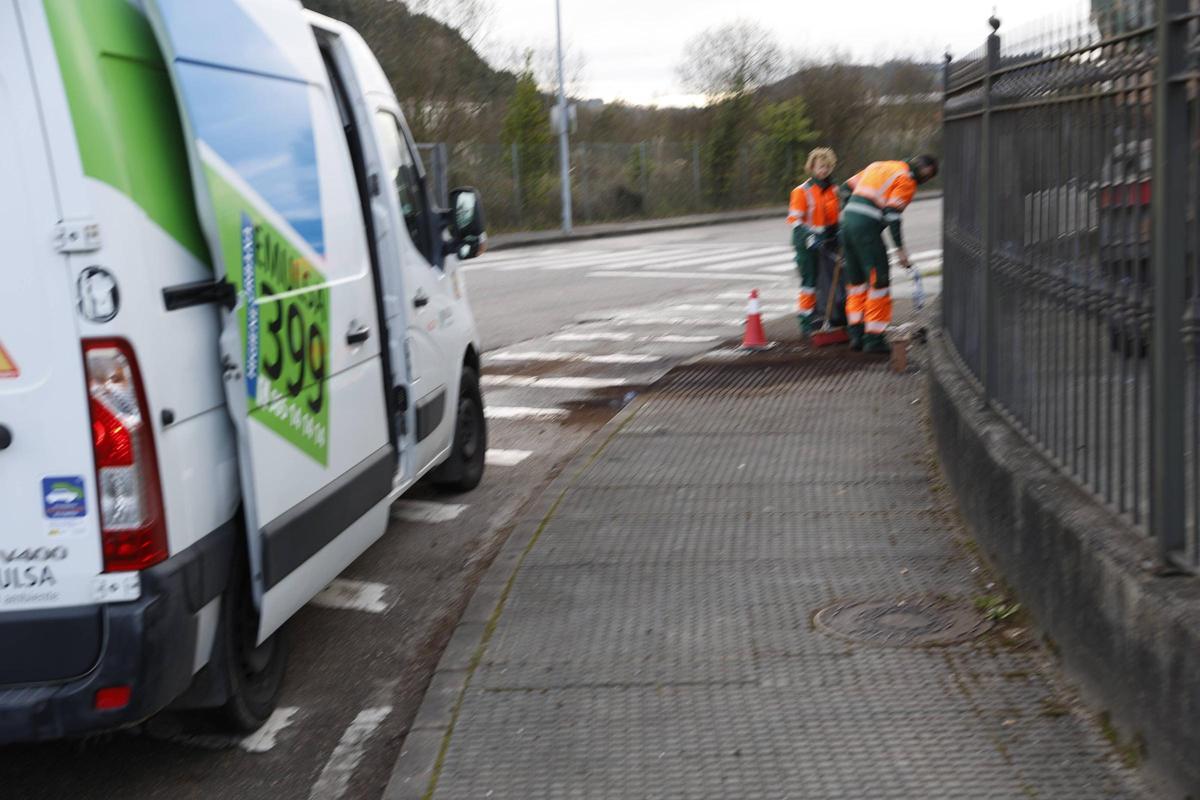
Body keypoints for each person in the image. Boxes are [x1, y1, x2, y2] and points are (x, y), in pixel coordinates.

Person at [839, 155, 939, 353]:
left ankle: (856, 335)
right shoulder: (907, 181)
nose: (926, 179)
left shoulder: (879, 165)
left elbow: (844, 188)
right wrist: (901, 250)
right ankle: (874, 339)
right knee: (879, 281)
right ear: (925, 171)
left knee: (856, 283)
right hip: (866, 228)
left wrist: (848, 213)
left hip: (847, 225)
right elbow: (892, 215)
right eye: (928, 176)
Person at [787, 147, 843, 335]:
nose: (824, 170)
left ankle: (826, 317)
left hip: (828, 242)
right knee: (809, 282)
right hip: (806, 244)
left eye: (827, 166)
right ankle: (805, 322)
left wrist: (840, 232)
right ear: (812, 167)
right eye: (820, 166)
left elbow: (837, 217)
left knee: (828, 281)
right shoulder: (801, 191)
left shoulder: (834, 190)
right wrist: (810, 238)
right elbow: (795, 220)